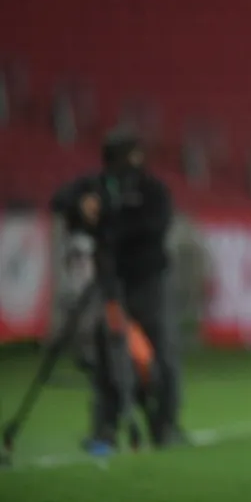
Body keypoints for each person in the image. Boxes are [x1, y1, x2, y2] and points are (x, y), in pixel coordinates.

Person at [49, 127, 186, 449]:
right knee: (106, 353)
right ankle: (105, 428)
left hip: (147, 280)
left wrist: (110, 225)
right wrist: (81, 205)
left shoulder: (151, 190)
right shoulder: (96, 187)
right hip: (110, 281)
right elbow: (58, 201)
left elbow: (154, 226)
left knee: (162, 350)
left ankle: (164, 424)